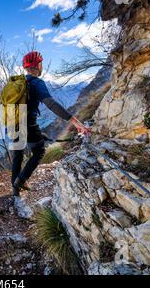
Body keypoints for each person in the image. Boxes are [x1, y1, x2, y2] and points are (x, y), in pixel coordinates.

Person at [11, 51, 91, 198]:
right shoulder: (36, 82)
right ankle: (20, 182)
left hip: (12, 123)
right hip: (27, 124)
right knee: (39, 151)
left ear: (25, 67)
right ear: (38, 65)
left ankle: (14, 191)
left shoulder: (15, 82)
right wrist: (75, 122)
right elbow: (51, 104)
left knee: (18, 155)